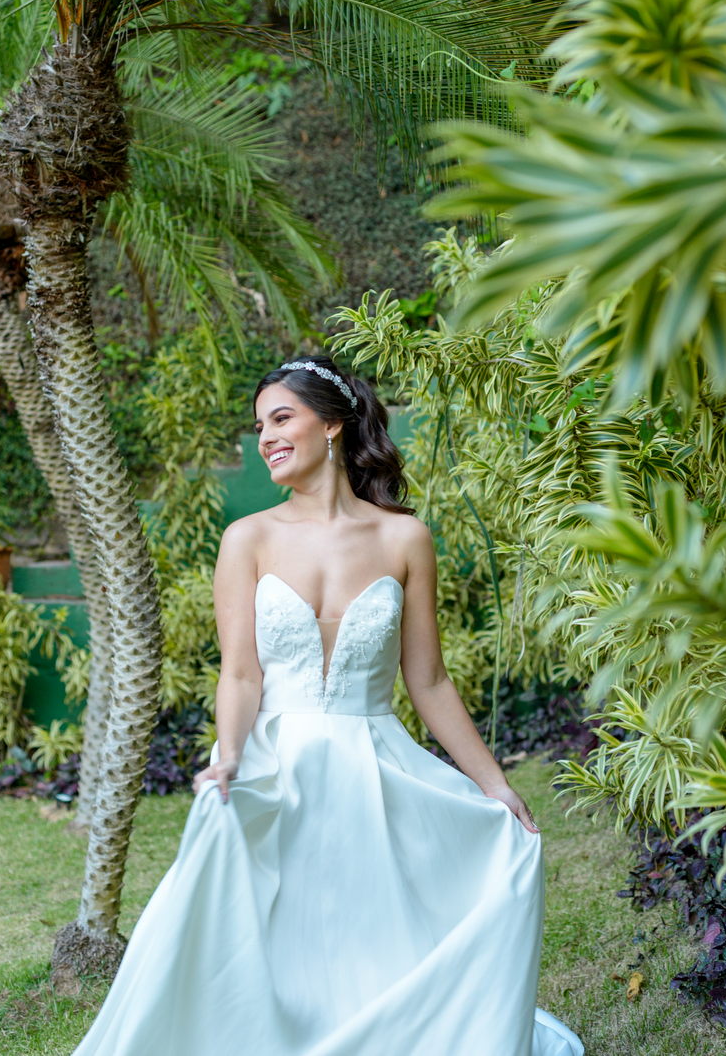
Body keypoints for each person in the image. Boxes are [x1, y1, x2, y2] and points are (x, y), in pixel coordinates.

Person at [72, 355, 585, 1056]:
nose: (266, 438)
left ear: (333, 424)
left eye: (281, 418)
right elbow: (241, 675)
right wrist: (229, 757)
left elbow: (429, 680)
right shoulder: (247, 539)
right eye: (260, 426)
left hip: (373, 764)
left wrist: (494, 784)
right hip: (274, 764)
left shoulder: (404, 538)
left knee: (369, 934)